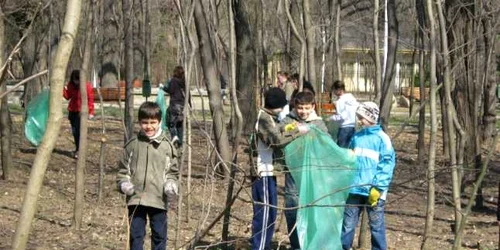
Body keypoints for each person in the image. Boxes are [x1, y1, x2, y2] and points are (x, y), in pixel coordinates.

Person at [116, 101, 179, 250]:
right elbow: (122, 172)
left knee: (159, 235)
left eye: (153, 122)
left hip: (158, 199)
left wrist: (170, 185)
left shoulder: (167, 147)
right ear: (139, 122)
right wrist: (124, 184)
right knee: (135, 235)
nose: (149, 126)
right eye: (145, 122)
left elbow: (172, 172)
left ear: (160, 122)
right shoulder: (132, 145)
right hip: (136, 199)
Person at [249, 87, 305, 250]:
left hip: (269, 171)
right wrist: (296, 131)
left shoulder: (269, 117)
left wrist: (286, 128)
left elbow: (275, 133)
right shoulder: (264, 119)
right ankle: (259, 247)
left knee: (270, 214)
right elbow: (276, 141)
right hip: (262, 171)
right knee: (265, 215)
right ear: (278, 105)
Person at [341, 102, 396, 250]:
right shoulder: (356, 137)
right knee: (347, 225)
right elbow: (350, 159)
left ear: (372, 117)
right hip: (354, 189)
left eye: (362, 117)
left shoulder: (382, 138)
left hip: (374, 192)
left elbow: (387, 165)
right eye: (358, 117)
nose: (359, 120)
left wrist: (378, 188)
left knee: (376, 227)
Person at [281, 91, 328, 250]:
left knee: (311, 208)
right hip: (292, 172)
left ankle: (311, 244)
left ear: (313, 106)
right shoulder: (288, 119)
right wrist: (291, 131)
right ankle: (296, 245)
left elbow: (327, 144)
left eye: (307, 108)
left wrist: (314, 136)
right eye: (300, 108)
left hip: (312, 172)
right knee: (292, 207)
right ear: (295, 106)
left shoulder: (318, 123)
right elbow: (280, 135)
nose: (303, 111)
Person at [63, 70, 95, 159]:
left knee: (78, 132)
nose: (76, 81)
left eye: (77, 79)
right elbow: (67, 96)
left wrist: (91, 111)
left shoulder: (86, 86)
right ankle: (78, 148)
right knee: (74, 131)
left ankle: (79, 150)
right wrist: (62, 90)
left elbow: (90, 99)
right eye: (74, 80)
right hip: (72, 111)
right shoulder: (71, 85)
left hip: (81, 112)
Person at [159, 66, 187, 147]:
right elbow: (187, 93)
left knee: (171, 123)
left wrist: (163, 87)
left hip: (174, 105)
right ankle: (180, 142)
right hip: (182, 106)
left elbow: (170, 90)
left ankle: (174, 136)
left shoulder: (173, 81)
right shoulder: (184, 82)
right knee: (179, 124)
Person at [328, 80, 358, 148]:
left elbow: (343, 116)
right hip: (352, 127)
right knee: (350, 149)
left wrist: (331, 118)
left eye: (334, 90)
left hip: (344, 128)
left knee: (341, 150)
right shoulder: (352, 99)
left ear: (339, 89)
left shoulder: (340, 101)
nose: (334, 93)